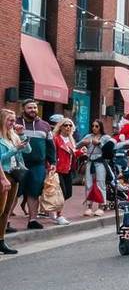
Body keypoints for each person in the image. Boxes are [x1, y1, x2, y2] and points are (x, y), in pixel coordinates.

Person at [14, 100, 55, 230]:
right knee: (14, 193)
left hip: (38, 165)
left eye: (35, 107)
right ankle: (5, 222)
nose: (33, 110)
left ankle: (32, 220)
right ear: (23, 109)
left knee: (34, 192)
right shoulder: (15, 123)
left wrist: (52, 162)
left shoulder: (45, 125)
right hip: (18, 163)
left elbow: (50, 146)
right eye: (29, 107)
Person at [0, 109, 31, 253]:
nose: (13, 123)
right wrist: (14, 149)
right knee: (0, 210)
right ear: (2, 120)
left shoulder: (13, 135)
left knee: (7, 210)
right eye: (10, 120)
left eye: (14, 120)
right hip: (3, 175)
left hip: (15, 175)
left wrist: (22, 135)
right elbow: (1, 158)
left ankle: (1, 241)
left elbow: (27, 151)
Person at [78, 119, 114, 216]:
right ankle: (89, 206)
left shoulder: (106, 137)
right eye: (93, 126)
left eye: (97, 126)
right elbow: (77, 146)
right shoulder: (88, 136)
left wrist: (99, 144)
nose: (94, 128)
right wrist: (82, 143)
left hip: (100, 162)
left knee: (100, 184)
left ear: (101, 127)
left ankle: (101, 206)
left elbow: (110, 149)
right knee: (88, 184)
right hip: (89, 162)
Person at [50, 118, 76, 226]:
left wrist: (79, 152)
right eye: (65, 125)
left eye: (70, 125)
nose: (68, 127)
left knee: (68, 193)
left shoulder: (71, 140)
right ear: (60, 127)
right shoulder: (56, 138)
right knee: (62, 193)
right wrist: (51, 166)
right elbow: (52, 153)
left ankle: (53, 210)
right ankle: (58, 215)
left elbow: (72, 154)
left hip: (68, 170)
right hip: (58, 169)